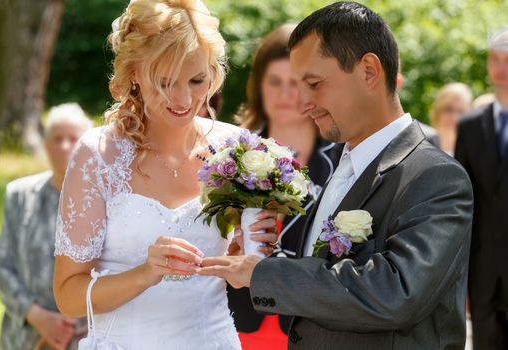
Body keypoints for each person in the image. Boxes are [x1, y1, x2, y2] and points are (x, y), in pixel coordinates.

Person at [199, 2, 474, 350]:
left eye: (314, 83)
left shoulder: (437, 177)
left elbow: (395, 292)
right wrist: (262, 258)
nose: (304, 102)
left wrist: (262, 275)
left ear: (369, 71)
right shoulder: (345, 163)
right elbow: (329, 278)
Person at [52, 1, 277, 349]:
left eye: (197, 79)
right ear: (134, 74)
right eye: (166, 82)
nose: (184, 98)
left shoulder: (238, 150)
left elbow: (245, 277)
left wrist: (242, 259)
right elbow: (67, 296)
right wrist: (144, 274)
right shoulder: (98, 155)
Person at [229, 24, 337, 349]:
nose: (285, 94)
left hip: (312, 325)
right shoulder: (230, 152)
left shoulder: (343, 157)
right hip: (238, 321)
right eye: (274, 82)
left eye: (295, 83)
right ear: (258, 86)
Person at [0, 103, 93, 350]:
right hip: (25, 335)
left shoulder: (101, 201)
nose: (65, 146)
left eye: (73, 138)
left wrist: (69, 325)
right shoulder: (19, 195)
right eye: (57, 138)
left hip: (86, 337)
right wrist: (37, 316)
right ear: (45, 143)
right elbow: (2, 268)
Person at [455, 26, 508, 350]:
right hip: (484, 277)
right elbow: (462, 201)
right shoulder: (470, 125)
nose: (501, 68)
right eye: (494, 59)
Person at [429, 83, 472, 156]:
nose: (454, 117)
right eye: (448, 109)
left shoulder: (473, 150)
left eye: (461, 111)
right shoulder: (424, 144)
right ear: (437, 110)